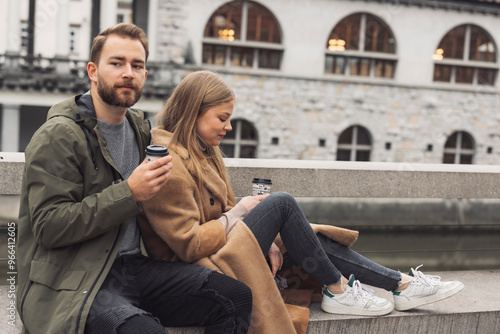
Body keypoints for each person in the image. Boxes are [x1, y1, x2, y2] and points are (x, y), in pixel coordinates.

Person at [138, 70, 465, 332]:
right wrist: (240, 215)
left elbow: (219, 215)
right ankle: (339, 288)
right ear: (194, 113)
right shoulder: (168, 162)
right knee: (280, 203)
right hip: (197, 268)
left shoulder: (204, 151)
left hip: (220, 250)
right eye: (222, 118)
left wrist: (262, 240)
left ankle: (400, 285)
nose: (229, 126)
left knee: (306, 235)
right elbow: (188, 245)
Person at [17, 25, 252, 334]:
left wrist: (254, 234)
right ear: (93, 71)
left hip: (134, 268)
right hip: (74, 279)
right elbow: (49, 227)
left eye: (137, 65)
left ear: (145, 74)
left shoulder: (140, 129)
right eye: (117, 63)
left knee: (235, 297)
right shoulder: (59, 136)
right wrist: (129, 193)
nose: (128, 72)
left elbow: (188, 185)